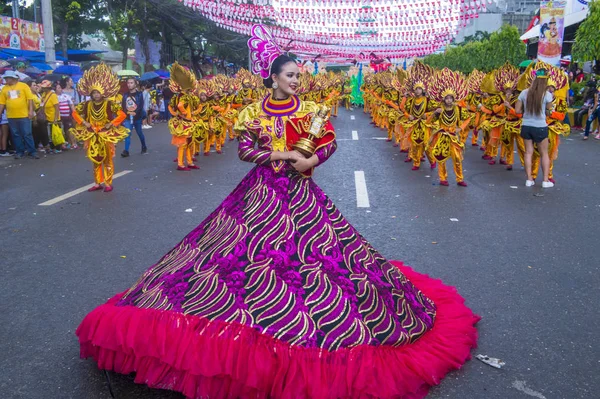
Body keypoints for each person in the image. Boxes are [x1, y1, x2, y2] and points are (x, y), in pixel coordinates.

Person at [76, 25, 479, 399]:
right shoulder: (252, 113)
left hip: (302, 194)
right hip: (261, 194)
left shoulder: (312, 111)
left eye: (298, 77)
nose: (295, 81)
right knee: (238, 256)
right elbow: (245, 151)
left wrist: (312, 159)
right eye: (290, 75)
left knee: (315, 258)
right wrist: (281, 153)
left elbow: (328, 145)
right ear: (272, 78)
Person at [70, 63, 129, 192]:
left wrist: (112, 123)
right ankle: (97, 183)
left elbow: (122, 114)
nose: (96, 95)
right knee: (95, 159)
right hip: (92, 134)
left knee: (107, 159)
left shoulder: (109, 103)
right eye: (94, 93)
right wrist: (84, 122)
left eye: (98, 92)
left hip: (105, 134)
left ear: (102, 93)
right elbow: (74, 113)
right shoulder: (86, 104)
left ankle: (108, 183)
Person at [428, 68, 472, 187]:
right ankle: (443, 178)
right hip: (442, 136)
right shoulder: (439, 109)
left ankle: (459, 179)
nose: (448, 100)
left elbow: (468, 118)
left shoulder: (458, 109)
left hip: (453, 137)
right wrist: (435, 113)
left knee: (457, 158)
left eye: (450, 98)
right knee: (441, 159)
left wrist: (460, 128)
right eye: (446, 98)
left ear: (453, 98)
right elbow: (430, 122)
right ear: (443, 98)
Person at [515, 68, 554, 188]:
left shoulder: (524, 93)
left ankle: (529, 179)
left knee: (528, 153)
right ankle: (545, 180)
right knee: (544, 154)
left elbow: (517, 111)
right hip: (540, 126)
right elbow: (549, 113)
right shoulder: (547, 95)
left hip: (526, 125)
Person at [0, 70, 37, 159]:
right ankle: (20, 152)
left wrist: (31, 111)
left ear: (12, 78)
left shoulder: (23, 86)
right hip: (11, 116)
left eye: (6, 78)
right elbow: (2, 102)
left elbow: (30, 99)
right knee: (16, 134)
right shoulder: (5, 88)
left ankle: (32, 151)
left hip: (24, 115)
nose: (5, 80)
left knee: (27, 133)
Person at [121, 78, 147, 157]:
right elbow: (123, 106)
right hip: (128, 118)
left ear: (135, 84)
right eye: (128, 83)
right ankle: (126, 150)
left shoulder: (139, 94)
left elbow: (140, 106)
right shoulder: (125, 95)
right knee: (127, 134)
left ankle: (143, 146)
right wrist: (127, 113)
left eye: (131, 83)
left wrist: (135, 113)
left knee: (139, 133)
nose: (129, 84)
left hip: (137, 118)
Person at [37, 80, 61, 153]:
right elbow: (41, 104)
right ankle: (52, 148)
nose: (43, 89)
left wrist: (56, 118)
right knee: (49, 134)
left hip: (53, 118)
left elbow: (57, 107)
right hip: (47, 117)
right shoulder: (44, 94)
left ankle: (57, 148)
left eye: (44, 88)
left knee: (55, 134)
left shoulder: (53, 95)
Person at [55, 81, 77, 149]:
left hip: (67, 116)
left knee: (69, 129)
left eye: (60, 88)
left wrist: (75, 115)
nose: (60, 89)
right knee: (60, 131)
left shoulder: (66, 96)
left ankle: (73, 143)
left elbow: (72, 106)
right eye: (58, 88)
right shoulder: (54, 97)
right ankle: (63, 144)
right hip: (59, 117)